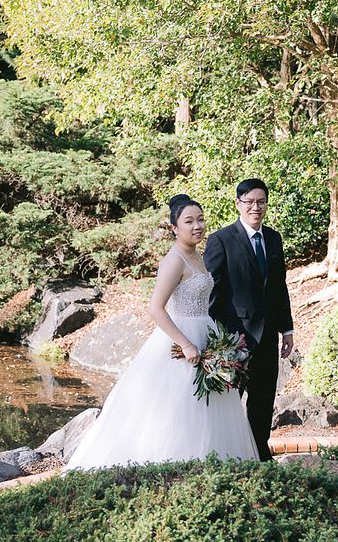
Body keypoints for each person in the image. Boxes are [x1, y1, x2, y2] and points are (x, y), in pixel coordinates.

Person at [65, 195, 258, 469]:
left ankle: (211, 469)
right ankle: (174, 468)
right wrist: (187, 344)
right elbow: (155, 308)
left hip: (206, 333)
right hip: (182, 340)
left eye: (200, 220)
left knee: (209, 408)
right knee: (177, 409)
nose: (197, 226)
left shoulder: (198, 256)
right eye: (189, 221)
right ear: (174, 228)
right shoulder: (174, 260)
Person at [204, 178, 294, 462]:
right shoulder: (221, 240)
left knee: (264, 399)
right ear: (238, 204)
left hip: (267, 335)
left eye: (261, 201)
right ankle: (224, 455)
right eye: (250, 201)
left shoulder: (274, 238)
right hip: (234, 337)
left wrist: (287, 329)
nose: (256, 207)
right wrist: (214, 336)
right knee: (229, 401)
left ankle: (258, 455)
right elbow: (212, 290)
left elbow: (279, 286)